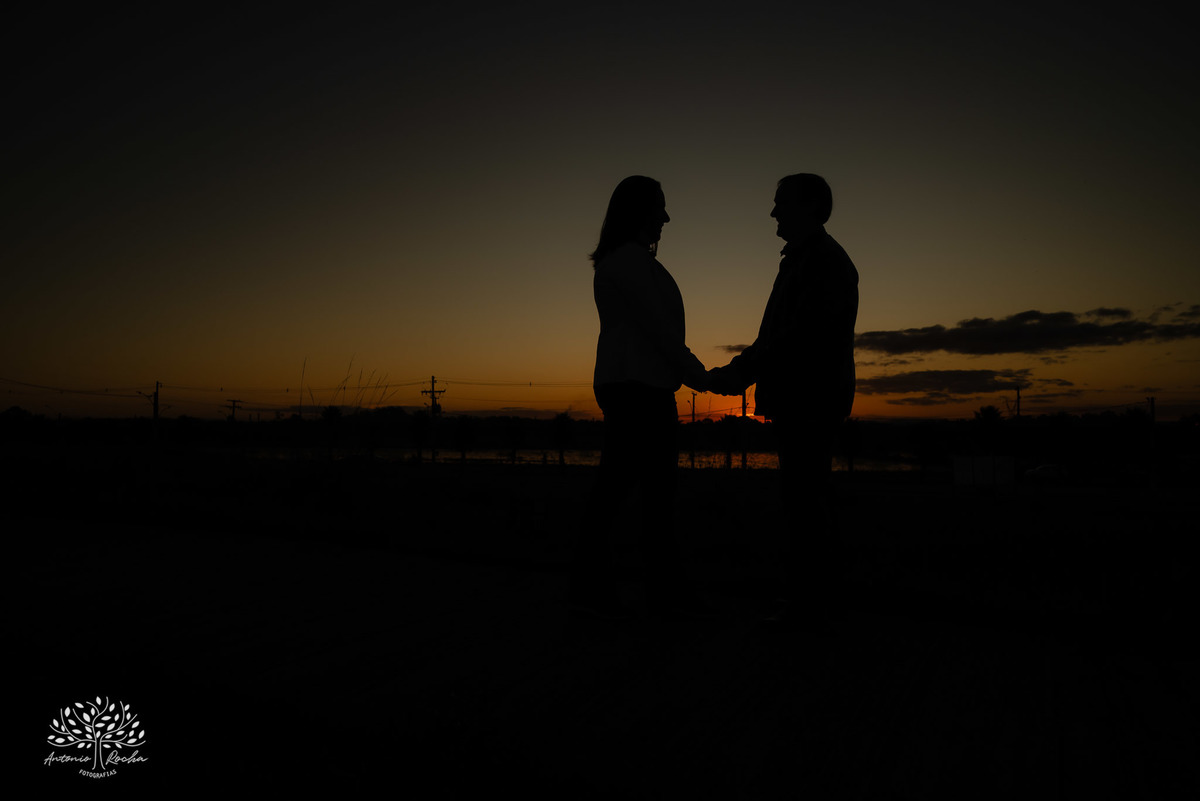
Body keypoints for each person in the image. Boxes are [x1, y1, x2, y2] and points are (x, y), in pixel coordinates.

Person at [708, 173, 859, 628]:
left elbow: (797, 337)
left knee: (806, 500)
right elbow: (780, 335)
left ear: (810, 206)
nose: (773, 212)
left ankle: (812, 605)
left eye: (781, 202)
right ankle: (814, 599)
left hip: (810, 398)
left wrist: (741, 372)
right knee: (805, 498)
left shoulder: (823, 262)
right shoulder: (804, 259)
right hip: (804, 396)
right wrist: (744, 369)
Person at [571, 175, 711, 619]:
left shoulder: (629, 262)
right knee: (639, 491)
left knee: (637, 490)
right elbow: (659, 330)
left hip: (637, 385)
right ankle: (637, 589)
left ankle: (623, 586)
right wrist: (700, 376)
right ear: (639, 211)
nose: (666, 217)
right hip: (637, 388)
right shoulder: (629, 263)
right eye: (660, 206)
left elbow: (657, 331)